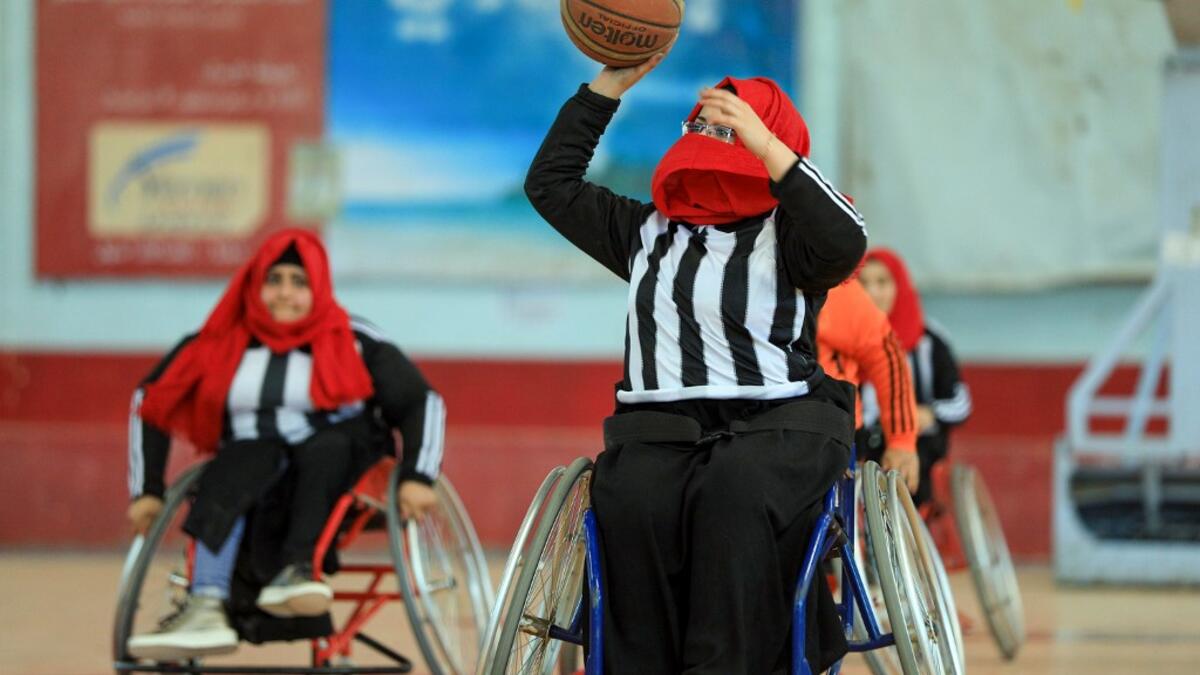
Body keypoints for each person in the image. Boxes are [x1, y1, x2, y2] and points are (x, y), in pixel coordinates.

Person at [525, 50, 866, 674]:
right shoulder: (643, 233)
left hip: (779, 422)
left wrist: (766, 147)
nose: (713, 139)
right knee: (631, 499)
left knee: (735, 491)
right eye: (703, 126)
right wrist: (607, 87)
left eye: (729, 128)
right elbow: (549, 185)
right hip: (663, 429)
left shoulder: (791, 237)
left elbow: (848, 239)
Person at [124, 229, 444, 660]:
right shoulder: (219, 339)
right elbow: (151, 399)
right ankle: (205, 605)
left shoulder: (353, 338)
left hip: (340, 467)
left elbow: (421, 401)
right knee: (240, 458)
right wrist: (146, 489)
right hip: (254, 470)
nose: (285, 294)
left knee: (325, 446)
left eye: (299, 282)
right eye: (274, 280)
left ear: (318, 286)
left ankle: (298, 571)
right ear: (255, 285)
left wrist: (418, 475)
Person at [858, 247, 972, 505]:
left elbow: (961, 403)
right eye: (863, 283)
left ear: (899, 286)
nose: (872, 292)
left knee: (908, 463)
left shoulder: (929, 341)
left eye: (882, 282)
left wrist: (928, 413)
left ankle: (904, 534)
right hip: (863, 437)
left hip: (917, 441)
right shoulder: (844, 339)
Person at [817, 279, 921, 493]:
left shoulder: (835, 289)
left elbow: (886, 356)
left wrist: (901, 440)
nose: (873, 290)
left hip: (829, 431)